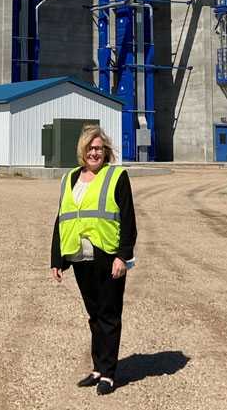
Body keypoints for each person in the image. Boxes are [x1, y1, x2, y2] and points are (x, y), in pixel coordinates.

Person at [50, 125, 137, 396]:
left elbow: (128, 219)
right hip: (78, 256)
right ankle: (98, 368)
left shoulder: (116, 176)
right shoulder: (71, 178)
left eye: (99, 148)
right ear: (82, 150)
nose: (94, 153)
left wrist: (123, 256)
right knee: (94, 316)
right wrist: (57, 258)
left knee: (109, 315)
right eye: (90, 148)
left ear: (106, 151)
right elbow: (62, 217)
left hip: (107, 255)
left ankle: (109, 374)